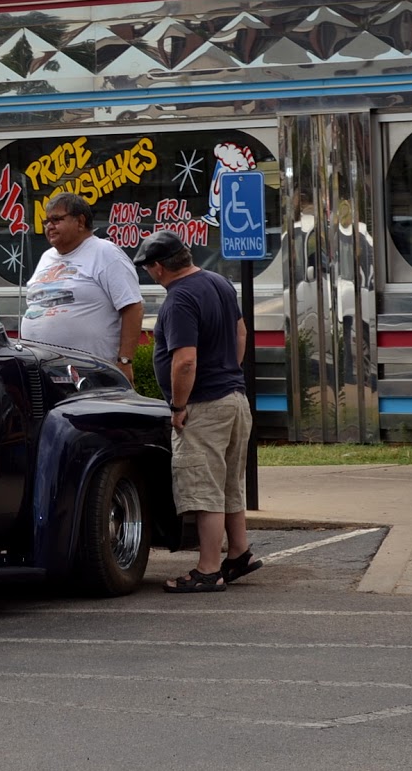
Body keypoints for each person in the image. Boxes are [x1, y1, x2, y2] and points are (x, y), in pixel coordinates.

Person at [132, 228, 259, 593]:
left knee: (203, 490)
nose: (148, 274)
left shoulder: (180, 298)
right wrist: (229, 373)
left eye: (147, 267)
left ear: (159, 267)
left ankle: (208, 569)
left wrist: (178, 405)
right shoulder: (218, 282)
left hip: (204, 406)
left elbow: (185, 361)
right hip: (235, 399)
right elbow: (241, 333)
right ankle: (239, 552)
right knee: (229, 485)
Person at [19, 192, 143, 380]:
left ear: (80, 221)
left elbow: (133, 307)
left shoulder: (105, 252)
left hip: (90, 374)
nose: (49, 226)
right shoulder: (46, 257)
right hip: (42, 373)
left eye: (56, 219)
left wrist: (125, 362)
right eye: (46, 221)